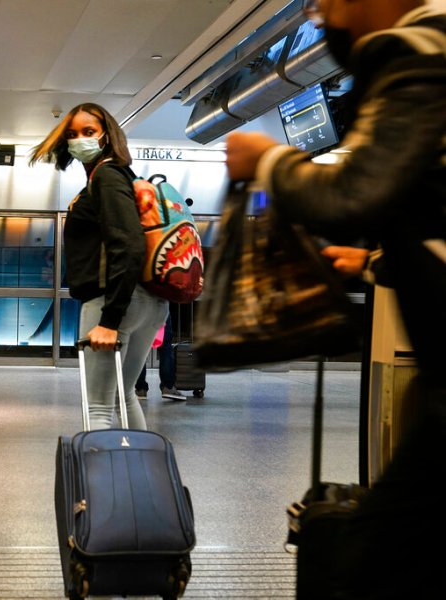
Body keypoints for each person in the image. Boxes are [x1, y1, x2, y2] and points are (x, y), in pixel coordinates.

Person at [225, 1, 446, 597]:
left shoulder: (414, 48)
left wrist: (267, 160)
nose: (321, 17)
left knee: (371, 560)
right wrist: (374, 264)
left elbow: (355, 194)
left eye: (329, 1)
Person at [29, 103, 168, 430]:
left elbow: (129, 243)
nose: (80, 140)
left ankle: (103, 482)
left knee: (100, 408)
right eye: (73, 134)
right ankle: (140, 475)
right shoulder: (120, 175)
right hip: (148, 300)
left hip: (113, 301)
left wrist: (109, 320)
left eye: (88, 132)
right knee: (124, 396)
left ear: (107, 136)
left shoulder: (106, 176)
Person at [135, 313, 186, 401]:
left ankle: (140, 388)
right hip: (160, 305)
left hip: (140, 305)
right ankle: (168, 387)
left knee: (139, 345)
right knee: (165, 346)